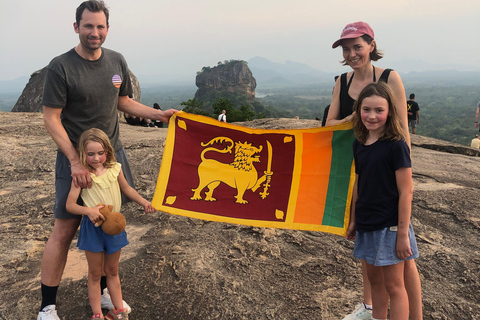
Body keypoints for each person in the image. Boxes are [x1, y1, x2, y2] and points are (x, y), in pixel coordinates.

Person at [38, 1, 177, 319]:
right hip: (77, 161)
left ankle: (102, 294)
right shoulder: (61, 67)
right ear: (76, 27)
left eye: (100, 26)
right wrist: (75, 161)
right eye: (88, 26)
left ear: (108, 29)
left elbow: (123, 101)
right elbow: (51, 118)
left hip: (112, 157)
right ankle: (47, 306)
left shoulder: (116, 61)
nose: (94, 32)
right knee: (64, 230)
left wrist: (159, 114)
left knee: (105, 223)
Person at [325, 21, 422, 320]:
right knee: (371, 259)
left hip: (389, 174)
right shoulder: (342, 82)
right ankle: (370, 309)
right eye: (347, 49)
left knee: (402, 262)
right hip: (361, 168)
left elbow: (402, 128)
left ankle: (414, 316)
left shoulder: (390, 78)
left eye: (358, 46)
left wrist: (402, 170)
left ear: (371, 45)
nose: (353, 53)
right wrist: (354, 115)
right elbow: (329, 126)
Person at [66, 128, 156, 320]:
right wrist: (88, 210)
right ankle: (97, 314)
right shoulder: (82, 176)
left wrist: (145, 203)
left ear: (107, 151)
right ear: (83, 153)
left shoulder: (115, 168)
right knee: (95, 273)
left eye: (100, 153)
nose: (96, 158)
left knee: (113, 271)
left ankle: (118, 310)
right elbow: (70, 205)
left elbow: (127, 189)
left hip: (115, 226)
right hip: (94, 229)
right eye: (90, 154)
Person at [348, 82, 420, 320]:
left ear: (390, 111)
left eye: (379, 110)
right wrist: (353, 219)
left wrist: (402, 234)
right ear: (359, 110)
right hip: (367, 224)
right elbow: (359, 183)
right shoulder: (359, 143)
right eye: (366, 109)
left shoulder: (396, 146)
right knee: (375, 282)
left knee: (395, 286)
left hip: (389, 226)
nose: (372, 116)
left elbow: (406, 191)